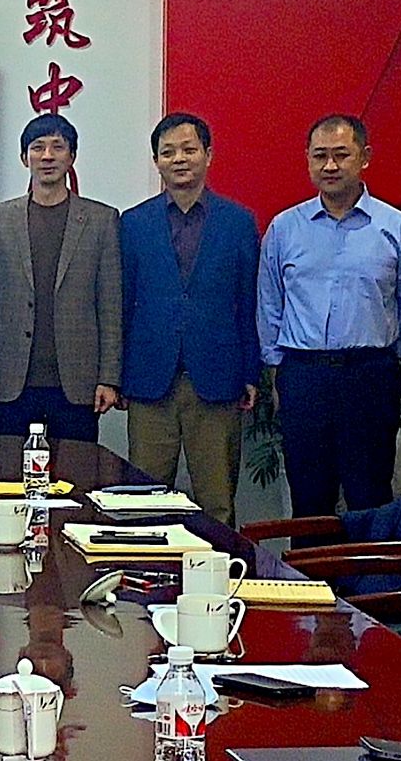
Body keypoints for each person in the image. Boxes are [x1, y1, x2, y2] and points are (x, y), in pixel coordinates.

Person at [258, 113, 401, 516]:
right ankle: (311, 562)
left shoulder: (398, 228)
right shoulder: (285, 228)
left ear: (365, 157)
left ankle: (366, 563)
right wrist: (278, 369)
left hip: (369, 374)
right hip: (304, 376)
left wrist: (390, 351)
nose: (330, 166)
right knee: (308, 498)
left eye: (341, 154)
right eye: (320, 156)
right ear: (307, 159)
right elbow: (269, 304)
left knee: (370, 494)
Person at [119, 113, 261, 525]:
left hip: (217, 379)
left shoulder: (238, 222)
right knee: (142, 503)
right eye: (168, 152)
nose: (179, 159)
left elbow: (249, 302)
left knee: (217, 503)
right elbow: (121, 304)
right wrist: (117, 375)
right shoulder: (134, 223)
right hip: (150, 381)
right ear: (156, 161)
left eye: (189, 149)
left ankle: (217, 568)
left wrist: (250, 372)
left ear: (208, 155)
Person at [0, 113, 122, 442]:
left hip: (77, 381)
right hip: (12, 381)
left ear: (72, 157)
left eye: (58, 147)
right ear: (24, 158)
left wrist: (109, 378)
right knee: (9, 469)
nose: (47, 156)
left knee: (78, 468)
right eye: (38, 147)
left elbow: (110, 304)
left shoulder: (101, 220)